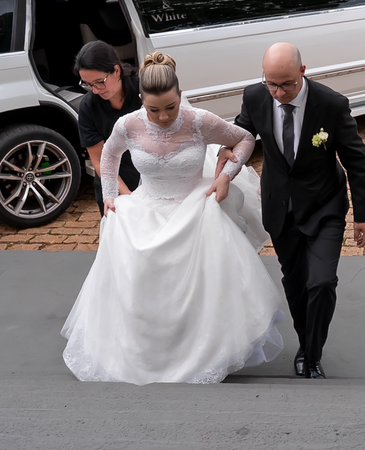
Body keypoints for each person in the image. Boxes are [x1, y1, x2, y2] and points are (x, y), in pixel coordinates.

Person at [61, 52, 284, 385]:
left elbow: (245, 139)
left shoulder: (200, 120)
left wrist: (226, 175)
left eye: (170, 107)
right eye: (154, 110)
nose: (163, 117)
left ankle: (202, 348)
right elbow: (107, 158)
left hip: (194, 206)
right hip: (146, 205)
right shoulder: (128, 124)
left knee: (201, 283)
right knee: (143, 279)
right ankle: (148, 352)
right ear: (142, 99)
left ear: (180, 95)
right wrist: (110, 196)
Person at [218, 43, 365, 379]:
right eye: (271, 84)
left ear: (302, 71)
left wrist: (363, 216)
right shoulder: (255, 97)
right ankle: (306, 343)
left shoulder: (331, 104)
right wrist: (224, 159)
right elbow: (241, 136)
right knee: (295, 282)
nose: (278, 92)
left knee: (322, 282)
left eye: (286, 84)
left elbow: (357, 161)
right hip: (280, 207)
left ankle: (312, 355)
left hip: (324, 206)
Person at [74, 41, 141, 216]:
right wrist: (128, 197)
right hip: (113, 182)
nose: (95, 90)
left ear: (116, 70)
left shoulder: (144, 90)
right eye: (88, 84)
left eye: (99, 82)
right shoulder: (88, 107)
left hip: (151, 175)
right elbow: (99, 161)